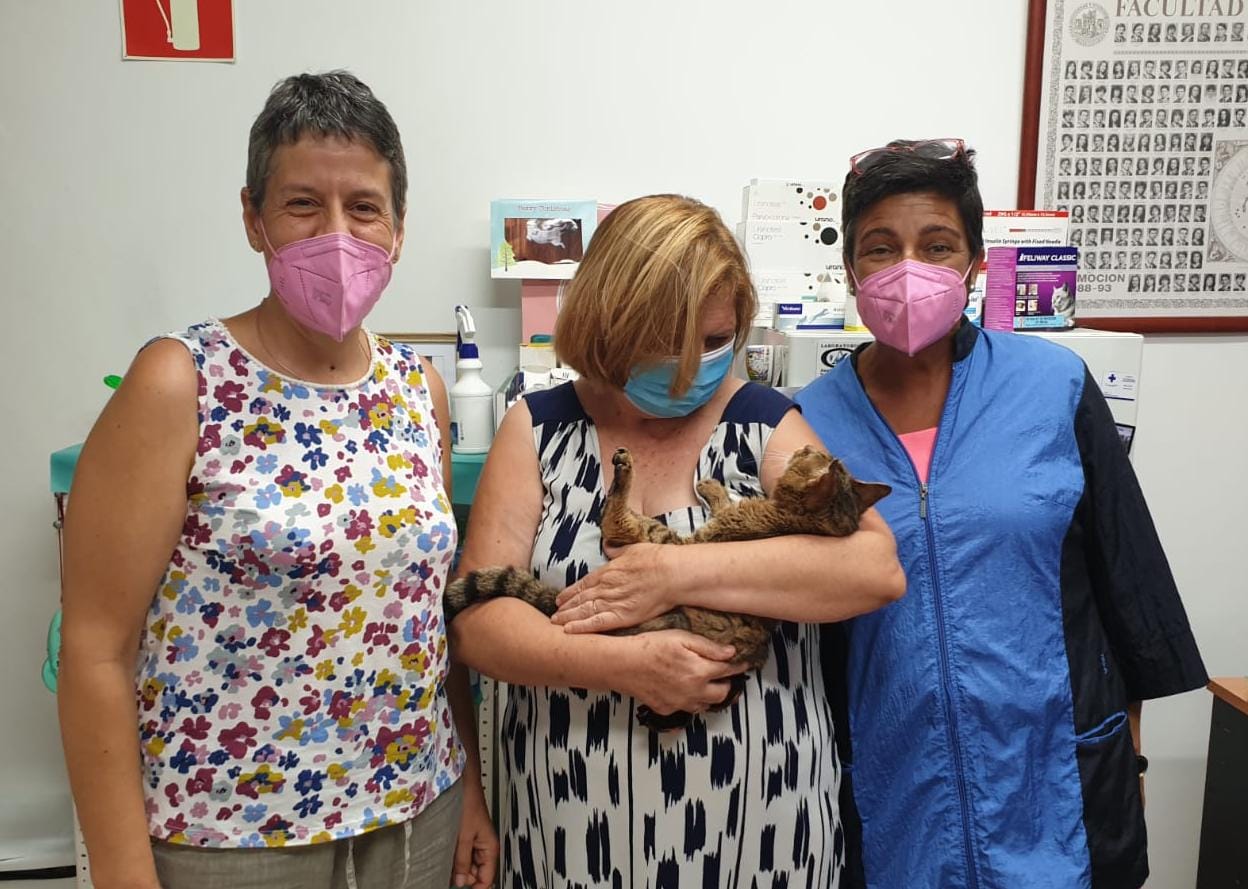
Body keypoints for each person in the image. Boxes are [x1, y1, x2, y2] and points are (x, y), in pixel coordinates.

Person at [57, 71, 497, 889]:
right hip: (232, 836)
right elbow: (94, 648)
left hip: (415, 813)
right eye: (302, 205)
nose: (337, 233)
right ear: (253, 217)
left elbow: (431, 622)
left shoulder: (419, 390)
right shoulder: (181, 382)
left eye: (364, 207)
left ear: (399, 228)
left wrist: (467, 781)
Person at [448, 194, 905, 887]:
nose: (690, 369)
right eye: (665, 344)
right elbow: (476, 625)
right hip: (575, 815)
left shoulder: (763, 422)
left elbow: (875, 569)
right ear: (606, 323)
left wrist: (673, 575)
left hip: (762, 823)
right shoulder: (537, 429)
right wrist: (623, 666)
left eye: (715, 340)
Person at [795, 139, 1207, 888]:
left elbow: (1126, 582)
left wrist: (1129, 759)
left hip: (1055, 777)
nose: (908, 269)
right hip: (891, 787)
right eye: (880, 248)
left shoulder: (1052, 385)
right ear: (850, 270)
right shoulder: (805, 424)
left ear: (976, 263)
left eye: (937, 245)